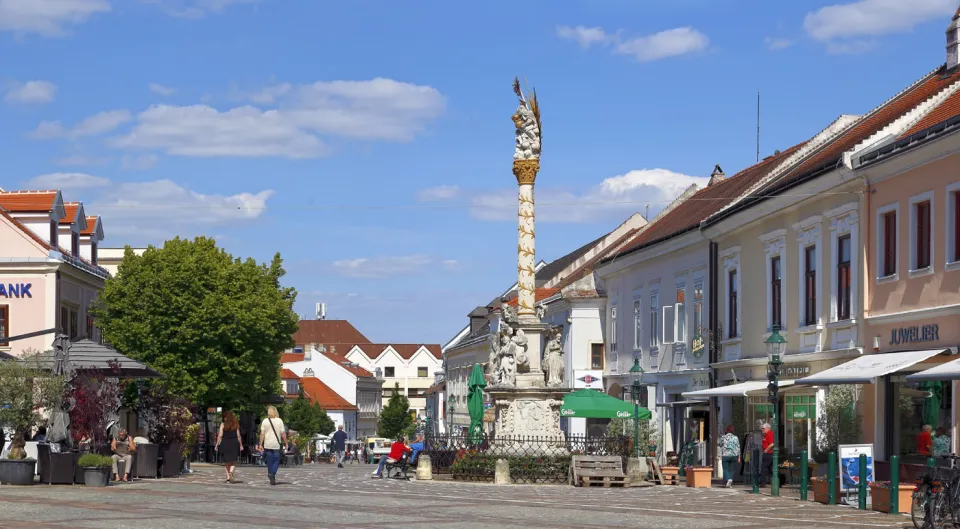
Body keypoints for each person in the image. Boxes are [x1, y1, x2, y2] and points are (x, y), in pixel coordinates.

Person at [256, 406, 287, 486]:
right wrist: (286, 443)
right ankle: (272, 474)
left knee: (269, 461)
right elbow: (283, 433)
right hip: (276, 444)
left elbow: (262, 434)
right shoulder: (279, 421)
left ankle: (271, 477)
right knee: (277, 460)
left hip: (267, 444)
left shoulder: (265, 421)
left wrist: (260, 444)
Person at [216, 410, 243, 483]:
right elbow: (238, 436)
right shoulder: (235, 425)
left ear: (225, 417)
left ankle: (228, 478)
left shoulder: (223, 424)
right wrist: (241, 445)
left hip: (225, 443)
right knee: (233, 461)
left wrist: (217, 444)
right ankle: (231, 472)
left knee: (226, 462)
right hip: (234, 443)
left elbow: (220, 435)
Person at [758, 423, 774, 487]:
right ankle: (773, 482)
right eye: (762, 428)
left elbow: (772, 444)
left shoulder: (770, 433)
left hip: (769, 454)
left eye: (763, 428)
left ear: (767, 428)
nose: (762, 430)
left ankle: (762, 483)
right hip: (768, 453)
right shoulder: (766, 434)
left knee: (763, 468)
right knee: (770, 469)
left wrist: (766, 450)